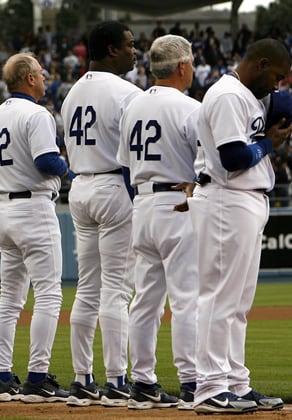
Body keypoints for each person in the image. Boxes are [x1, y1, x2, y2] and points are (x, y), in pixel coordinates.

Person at [188, 38, 292, 414]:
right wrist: (268, 143)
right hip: (225, 199)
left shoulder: (245, 96)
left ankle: (235, 383)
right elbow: (233, 157)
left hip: (244, 201)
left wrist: (267, 142)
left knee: (237, 303)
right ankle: (211, 388)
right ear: (261, 64)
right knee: (219, 297)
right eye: (276, 76)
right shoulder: (229, 94)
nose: (277, 85)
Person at [59, 21, 140, 407]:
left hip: (80, 187)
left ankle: (81, 379)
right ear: (110, 50)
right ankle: (117, 380)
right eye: (128, 45)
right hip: (112, 186)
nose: (134, 51)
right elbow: (132, 158)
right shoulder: (127, 92)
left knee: (87, 288)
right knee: (117, 290)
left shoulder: (71, 93)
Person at [117, 34, 199, 410]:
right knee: (185, 299)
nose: (194, 68)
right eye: (192, 62)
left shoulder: (133, 105)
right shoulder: (189, 107)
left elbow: (123, 166)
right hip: (177, 203)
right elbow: (208, 162)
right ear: (181, 66)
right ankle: (192, 381)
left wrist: (143, 202)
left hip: (143, 203)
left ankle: (143, 383)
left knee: (145, 301)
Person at [0, 53, 70, 404]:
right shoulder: (37, 114)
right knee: (48, 294)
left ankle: (3, 376)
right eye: (41, 74)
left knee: (10, 298)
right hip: (33, 206)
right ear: (29, 78)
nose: (45, 78)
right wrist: (69, 165)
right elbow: (47, 161)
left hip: (4, 207)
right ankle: (36, 378)